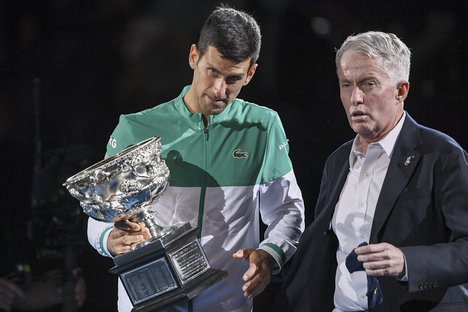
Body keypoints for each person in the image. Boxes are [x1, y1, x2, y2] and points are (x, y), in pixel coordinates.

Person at [87, 5, 305, 312]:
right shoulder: (135, 127)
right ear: (194, 57)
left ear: (251, 73)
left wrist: (270, 254)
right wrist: (109, 238)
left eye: (233, 78)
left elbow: (286, 209)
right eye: (212, 71)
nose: (219, 89)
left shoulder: (263, 127)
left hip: (226, 305)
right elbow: (100, 215)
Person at [274, 31, 468, 311]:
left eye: (368, 84)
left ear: (401, 91)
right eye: (346, 84)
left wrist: (407, 262)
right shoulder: (337, 161)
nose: (355, 98)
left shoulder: (442, 155)